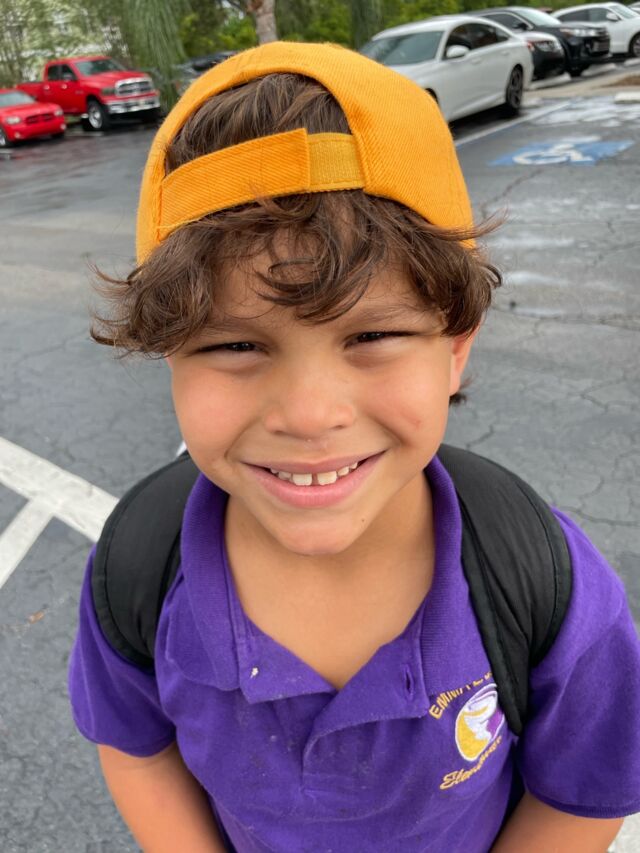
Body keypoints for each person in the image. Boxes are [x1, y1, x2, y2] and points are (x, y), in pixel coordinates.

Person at [68, 42, 640, 852]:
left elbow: (582, 793)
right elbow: (137, 747)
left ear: (455, 346)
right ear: (170, 354)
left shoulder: (542, 580)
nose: (309, 414)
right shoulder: (137, 570)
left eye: (372, 335)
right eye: (234, 345)